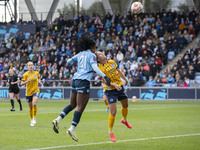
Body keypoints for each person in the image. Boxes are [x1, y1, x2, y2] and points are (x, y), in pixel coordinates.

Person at [52, 33, 111, 142]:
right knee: (80, 107)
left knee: (72, 104)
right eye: (94, 47)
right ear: (91, 47)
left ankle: (58, 119)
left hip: (74, 80)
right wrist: (104, 76)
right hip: (83, 81)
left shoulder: (80, 54)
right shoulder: (92, 55)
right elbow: (94, 67)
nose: (95, 49)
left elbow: (69, 61)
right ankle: (72, 129)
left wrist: (78, 63)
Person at [96, 51, 132, 142]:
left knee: (125, 105)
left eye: (102, 53)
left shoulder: (112, 62)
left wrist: (125, 79)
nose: (102, 54)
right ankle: (110, 132)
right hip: (110, 90)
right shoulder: (99, 68)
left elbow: (118, 71)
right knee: (113, 112)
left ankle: (124, 120)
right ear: (98, 59)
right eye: (100, 54)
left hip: (119, 86)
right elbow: (104, 81)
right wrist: (114, 85)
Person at [21, 61, 42, 126]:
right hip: (28, 92)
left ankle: (34, 117)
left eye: (32, 65)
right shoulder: (25, 74)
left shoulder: (36, 73)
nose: (31, 66)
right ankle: (32, 119)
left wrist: (39, 81)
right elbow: (21, 83)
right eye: (29, 65)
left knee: (34, 104)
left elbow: (38, 78)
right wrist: (27, 81)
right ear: (27, 67)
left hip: (36, 90)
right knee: (30, 107)